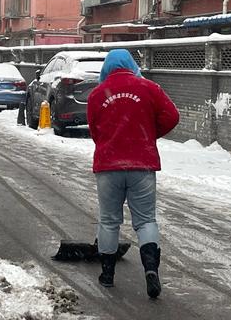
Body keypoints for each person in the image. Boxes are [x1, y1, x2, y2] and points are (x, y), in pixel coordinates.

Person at [86, 49, 180, 298]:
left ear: (107, 68)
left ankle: (107, 275)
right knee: (146, 220)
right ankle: (151, 272)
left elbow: (94, 130)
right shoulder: (149, 88)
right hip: (142, 165)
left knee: (109, 220)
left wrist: (111, 141)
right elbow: (172, 116)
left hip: (108, 166)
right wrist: (147, 134)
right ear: (131, 65)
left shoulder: (97, 94)